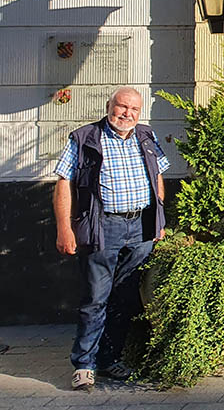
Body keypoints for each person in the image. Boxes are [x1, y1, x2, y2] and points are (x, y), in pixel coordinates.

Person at [53, 86, 169, 391]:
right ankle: (84, 366)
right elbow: (64, 182)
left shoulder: (146, 135)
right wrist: (64, 228)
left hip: (141, 227)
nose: (127, 114)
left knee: (126, 297)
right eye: (122, 107)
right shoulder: (85, 138)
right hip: (103, 227)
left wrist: (159, 218)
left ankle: (109, 359)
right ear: (109, 106)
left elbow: (157, 175)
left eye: (134, 109)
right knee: (95, 298)